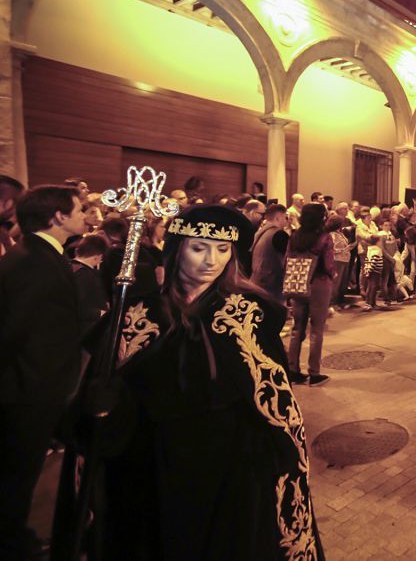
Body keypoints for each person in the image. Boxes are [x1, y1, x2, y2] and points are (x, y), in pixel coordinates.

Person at [72, 204, 323, 558]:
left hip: (230, 472)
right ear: (176, 251)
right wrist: (103, 404)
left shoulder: (250, 313)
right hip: (155, 471)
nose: (211, 261)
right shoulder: (139, 315)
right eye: (199, 248)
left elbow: (276, 399)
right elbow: (100, 409)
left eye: (222, 250)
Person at [0, 185, 87, 560]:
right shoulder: (34, 263)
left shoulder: (36, 255)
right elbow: (11, 332)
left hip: (31, 387)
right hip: (26, 392)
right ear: (58, 217)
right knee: (16, 475)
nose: (85, 215)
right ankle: (10, 542)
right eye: (79, 209)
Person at [286, 203, 336, 386]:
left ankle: (293, 370)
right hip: (319, 284)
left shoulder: (294, 236)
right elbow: (329, 265)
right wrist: (333, 274)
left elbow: (287, 259)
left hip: (298, 283)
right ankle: (314, 373)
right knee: (316, 330)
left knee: (297, 328)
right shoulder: (324, 237)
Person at [251, 203, 290, 304]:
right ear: (278, 217)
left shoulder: (260, 233)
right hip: (272, 285)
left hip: (257, 280)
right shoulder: (279, 234)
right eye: (286, 217)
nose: (287, 221)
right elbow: (289, 257)